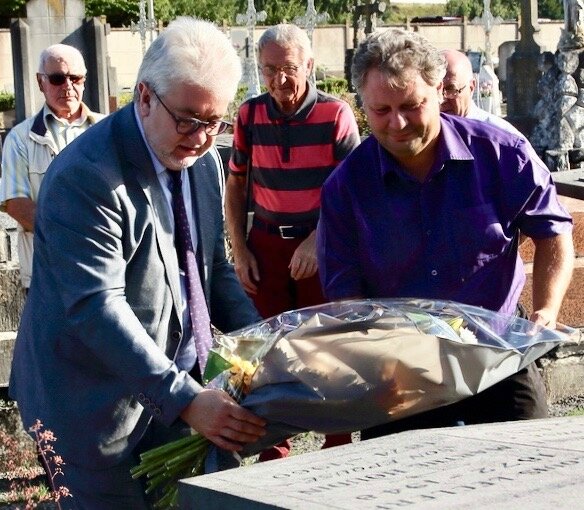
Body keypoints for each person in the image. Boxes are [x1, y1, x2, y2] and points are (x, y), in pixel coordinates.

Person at [9, 18, 266, 509]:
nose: (203, 138)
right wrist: (187, 400)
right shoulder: (87, 177)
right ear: (145, 97)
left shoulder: (202, 161)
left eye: (216, 122)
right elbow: (96, 307)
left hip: (179, 396)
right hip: (90, 409)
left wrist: (265, 343)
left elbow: (210, 268)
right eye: (189, 119)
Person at [317, 29, 574, 438]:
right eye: (380, 110)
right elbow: (344, 291)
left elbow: (553, 231)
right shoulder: (346, 186)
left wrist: (545, 313)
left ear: (439, 90)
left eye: (410, 105)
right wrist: (372, 360)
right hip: (401, 368)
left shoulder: (502, 154)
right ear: (362, 105)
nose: (396, 123)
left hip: (499, 352)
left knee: (529, 470)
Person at [225, 23, 360, 459]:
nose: (279, 81)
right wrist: (239, 248)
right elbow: (235, 187)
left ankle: (336, 443)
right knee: (264, 351)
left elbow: (353, 192)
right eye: (269, 70)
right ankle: (273, 448)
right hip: (265, 244)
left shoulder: (336, 115)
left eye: (288, 69)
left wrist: (317, 241)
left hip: (319, 247)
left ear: (308, 65)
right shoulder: (249, 115)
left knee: (325, 346)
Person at [0, 43, 104, 290]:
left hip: (103, 272)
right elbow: (17, 204)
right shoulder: (20, 138)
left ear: (84, 81)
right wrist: (72, 238)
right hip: (47, 276)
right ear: (40, 82)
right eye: (57, 78)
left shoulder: (108, 130)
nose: (67, 86)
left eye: (75, 78)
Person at [439, 49, 524, 136]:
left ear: (471, 87)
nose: (440, 100)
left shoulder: (502, 137)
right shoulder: (426, 138)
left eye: (450, 89)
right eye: (435, 90)